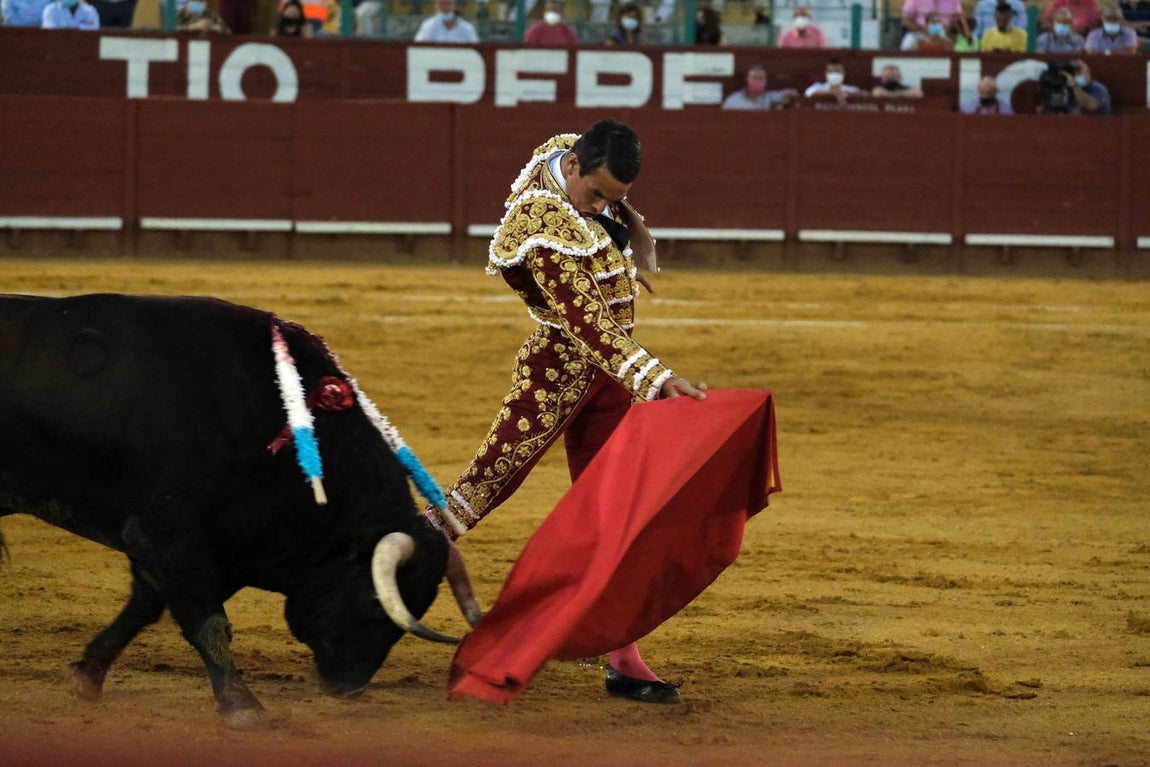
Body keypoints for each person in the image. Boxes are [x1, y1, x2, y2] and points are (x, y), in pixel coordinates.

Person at [423, 119, 707, 705]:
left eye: (614, 199)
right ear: (574, 170)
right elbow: (588, 327)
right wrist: (655, 380)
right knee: (480, 489)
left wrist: (623, 229)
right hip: (559, 371)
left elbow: (597, 210)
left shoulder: (564, 155)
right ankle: (379, 573)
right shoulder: (540, 225)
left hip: (606, 382)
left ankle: (624, 658)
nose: (600, 206)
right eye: (596, 194)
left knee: (618, 514)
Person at [721, 63, 798, 110]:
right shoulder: (733, 100)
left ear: (765, 81)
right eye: (754, 78)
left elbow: (792, 93)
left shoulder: (768, 97)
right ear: (747, 79)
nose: (758, 81)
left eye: (761, 78)